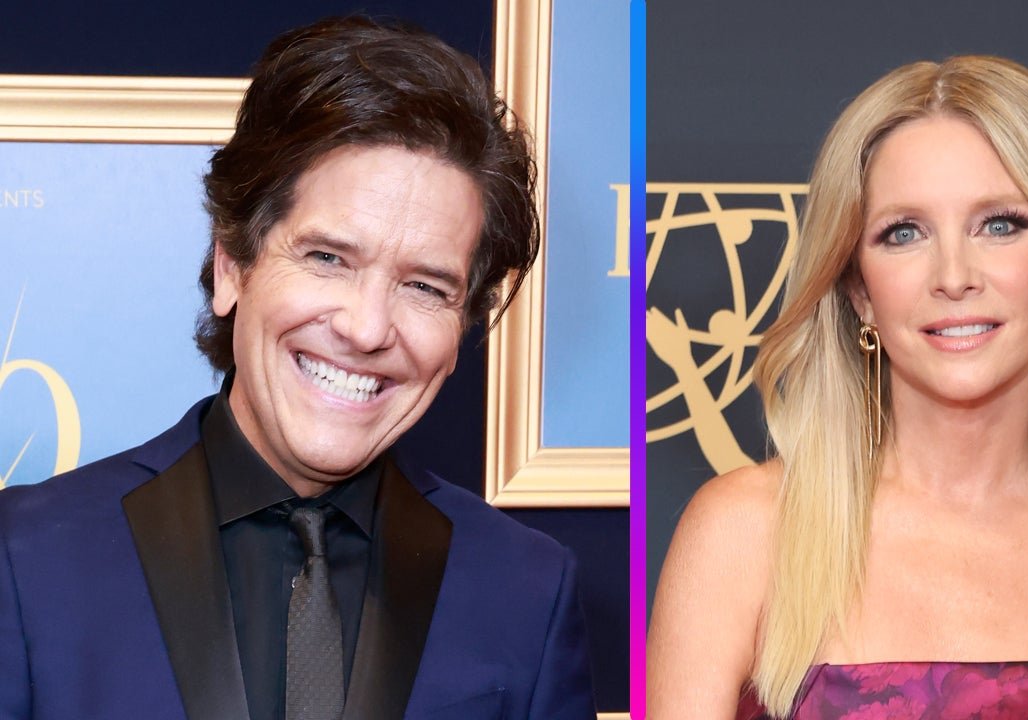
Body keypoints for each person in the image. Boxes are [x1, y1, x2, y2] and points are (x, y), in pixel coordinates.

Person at [0, 16, 594, 720]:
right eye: (327, 258)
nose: (366, 328)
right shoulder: (27, 560)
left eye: (425, 287)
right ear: (232, 265)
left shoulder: (527, 591)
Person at [648, 56, 1028, 719]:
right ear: (860, 292)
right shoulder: (745, 535)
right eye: (904, 233)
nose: (954, 275)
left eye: (999, 225)